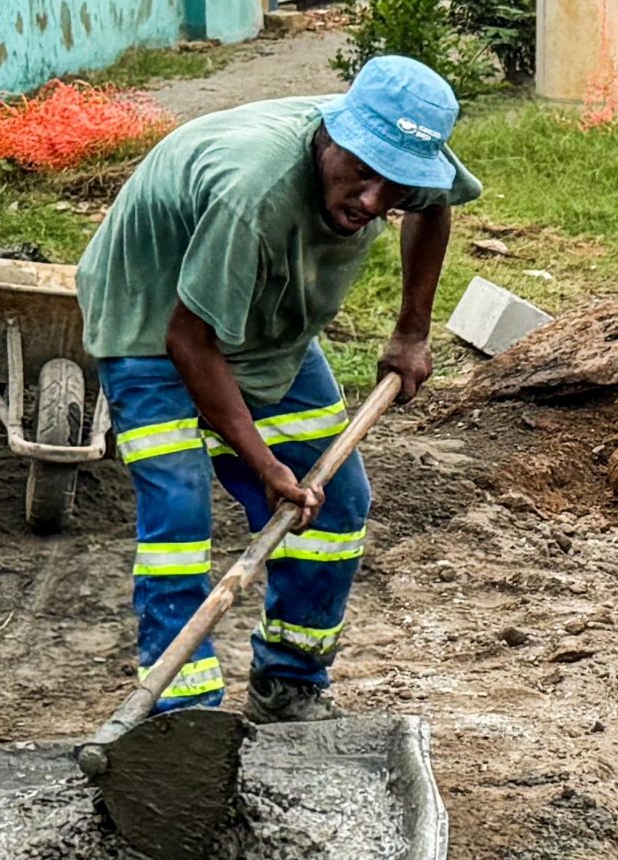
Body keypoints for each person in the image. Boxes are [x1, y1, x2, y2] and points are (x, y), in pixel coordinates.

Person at [74, 57, 477, 722]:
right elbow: (189, 341)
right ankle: (186, 722)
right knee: (179, 516)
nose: (374, 202)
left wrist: (412, 332)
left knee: (339, 502)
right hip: (151, 323)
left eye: (395, 186)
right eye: (362, 173)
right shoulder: (252, 192)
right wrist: (263, 464)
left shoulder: (404, 167)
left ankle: (288, 683)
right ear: (334, 135)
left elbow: (433, 209)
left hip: (265, 324)